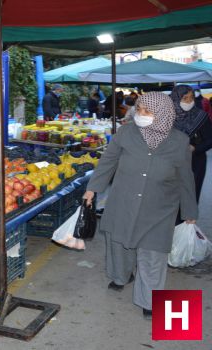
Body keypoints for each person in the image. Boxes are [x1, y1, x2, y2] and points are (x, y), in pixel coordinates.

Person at [83, 92, 198, 319]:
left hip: (160, 207)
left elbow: (186, 178)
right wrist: (92, 189)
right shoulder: (125, 133)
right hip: (123, 201)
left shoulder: (180, 142)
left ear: (163, 114)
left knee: (153, 254)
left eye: (147, 111)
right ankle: (121, 277)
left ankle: (150, 299)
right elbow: (108, 161)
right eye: (139, 109)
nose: (140, 115)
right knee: (120, 245)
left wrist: (190, 211)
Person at [170, 85, 212, 202]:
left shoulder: (201, 116)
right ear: (175, 98)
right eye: (185, 98)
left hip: (195, 162)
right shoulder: (166, 116)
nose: (189, 102)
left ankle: (188, 220)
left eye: (192, 98)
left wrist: (195, 148)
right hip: (170, 162)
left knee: (191, 197)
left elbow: (210, 139)